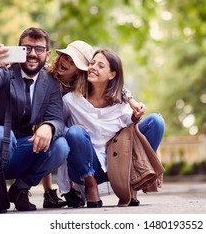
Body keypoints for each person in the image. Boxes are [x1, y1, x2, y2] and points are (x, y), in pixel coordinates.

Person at [0, 27, 69, 212]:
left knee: (61, 145)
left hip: (16, 152)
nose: (32, 54)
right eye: (27, 48)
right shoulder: (4, 71)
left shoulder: (50, 83)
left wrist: (49, 126)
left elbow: (58, 119)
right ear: (18, 49)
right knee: (2, 135)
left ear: (47, 54)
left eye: (38, 49)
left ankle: (20, 189)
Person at [41, 40, 144, 208]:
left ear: (80, 69)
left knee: (73, 134)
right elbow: (31, 68)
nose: (64, 61)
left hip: (73, 132)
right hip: (47, 121)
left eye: (72, 61)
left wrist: (131, 100)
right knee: (51, 134)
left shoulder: (81, 86)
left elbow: (114, 84)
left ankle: (77, 188)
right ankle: (49, 191)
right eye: (64, 56)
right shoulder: (47, 75)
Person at [60, 49, 165, 207]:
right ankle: (91, 186)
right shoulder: (70, 100)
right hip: (86, 166)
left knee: (156, 121)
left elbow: (131, 122)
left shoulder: (120, 102)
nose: (93, 67)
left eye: (100, 65)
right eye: (92, 63)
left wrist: (137, 114)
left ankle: (133, 181)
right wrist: (71, 131)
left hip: (117, 162)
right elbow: (57, 126)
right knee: (75, 132)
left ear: (112, 75)